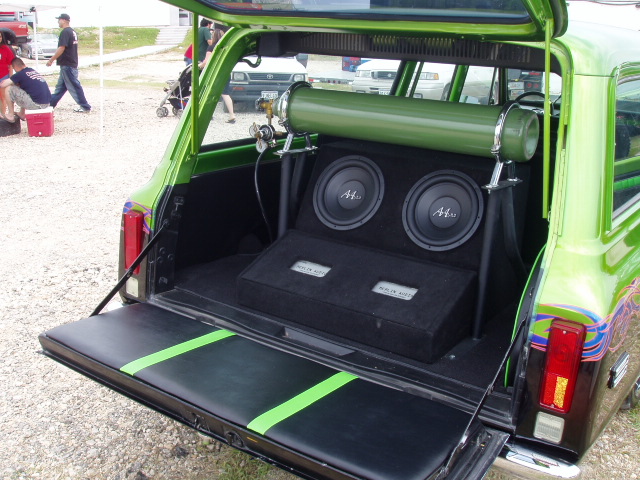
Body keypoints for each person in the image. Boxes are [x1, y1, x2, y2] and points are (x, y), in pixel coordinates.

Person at [46, 13, 91, 113]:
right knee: (60, 87)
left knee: (74, 86)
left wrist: (51, 60)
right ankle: (50, 105)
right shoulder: (72, 32)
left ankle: (85, 106)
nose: (58, 22)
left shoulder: (65, 32)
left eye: (59, 20)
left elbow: (62, 47)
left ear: (64, 20)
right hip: (70, 63)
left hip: (67, 63)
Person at [199, 28, 235, 123]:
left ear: (213, 36)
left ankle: (208, 114)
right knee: (225, 94)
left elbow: (207, 61)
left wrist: (200, 65)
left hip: (215, 74)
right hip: (226, 73)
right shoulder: (227, 48)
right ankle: (232, 115)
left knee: (209, 93)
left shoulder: (212, 47)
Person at [0, 57, 51, 123]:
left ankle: (10, 115)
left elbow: (3, 85)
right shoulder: (31, 70)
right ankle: (22, 114)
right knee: (24, 89)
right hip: (46, 103)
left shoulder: (20, 74)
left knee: (9, 89)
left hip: (36, 105)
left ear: (15, 67)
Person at [0, 31, 16, 116]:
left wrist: (11, 77)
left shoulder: (5, 48)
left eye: (0, 37)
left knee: (3, 98)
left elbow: (11, 64)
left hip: (3, 77)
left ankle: (2, 115)